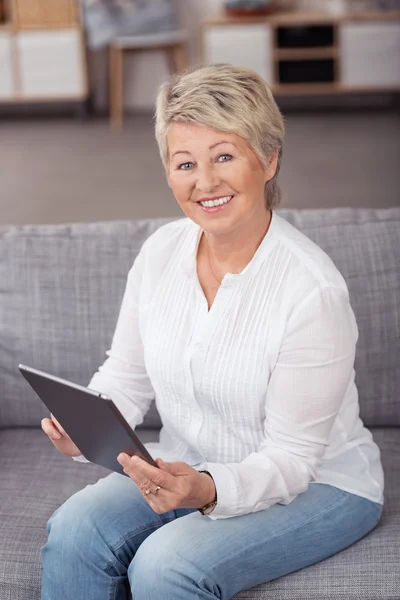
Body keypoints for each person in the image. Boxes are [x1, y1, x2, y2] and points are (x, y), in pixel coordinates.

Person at [40, 64, 384, 600]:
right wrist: (84, 425)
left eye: (224, 156)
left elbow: (293, 459)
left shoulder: (312, 292)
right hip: (188, 465)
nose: (205, 183)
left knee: (164, 566)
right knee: (75, 529)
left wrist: (207, 490)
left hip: (319, 485)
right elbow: (126, 378)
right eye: (185, 163)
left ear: (268, 160)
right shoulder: (158, 254)